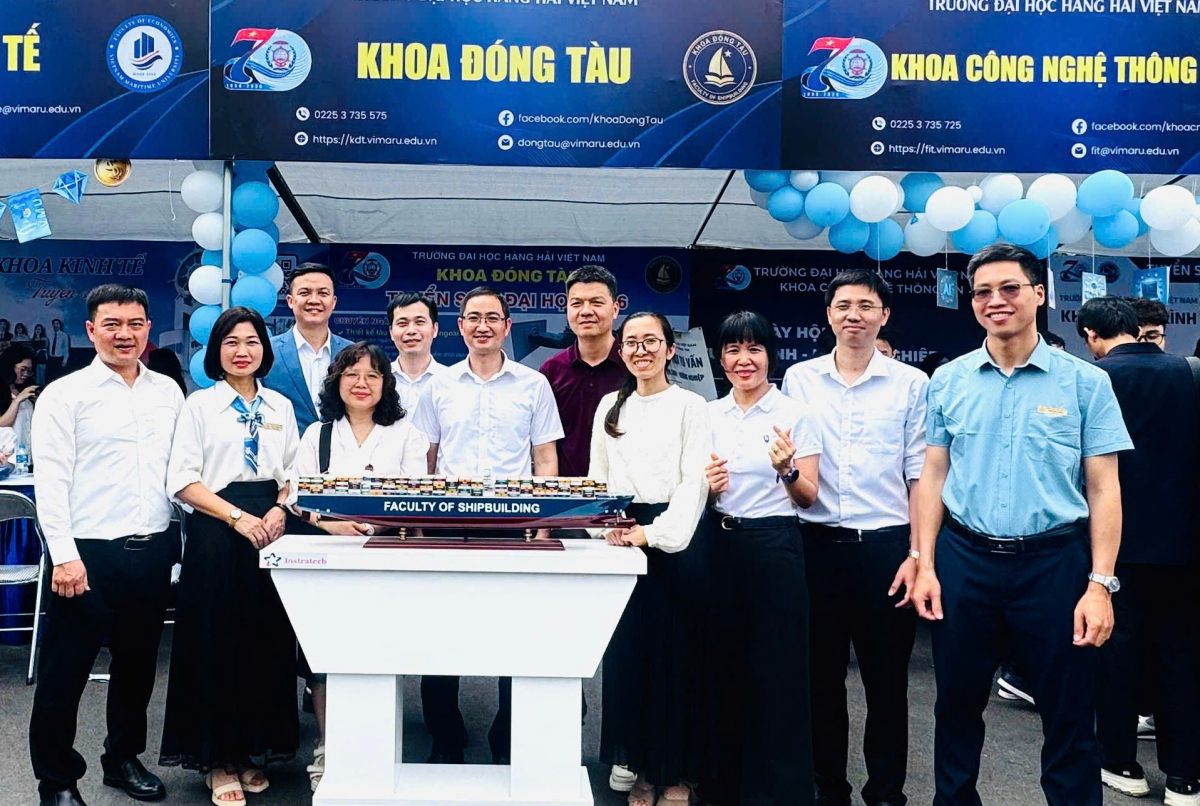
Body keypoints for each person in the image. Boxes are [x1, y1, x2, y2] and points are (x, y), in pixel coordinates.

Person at [912, 244, 1132, 806]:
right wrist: (925, 563)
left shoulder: (1086, 383)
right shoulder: (949, 380)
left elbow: (1104, 488)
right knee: (956, 706)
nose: (996, 301)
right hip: (965, 561)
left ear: (1039, 294)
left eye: (1009, 288)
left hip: (1054, 565)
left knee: (1068, 712)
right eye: (983, 292)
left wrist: (1100, 585)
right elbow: (934, 474)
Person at [29, 284, 184, 806]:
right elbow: (51, 482)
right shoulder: (65, 395)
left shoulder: (168, 392)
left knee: (137, 667)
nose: (125, 334)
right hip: (86, 556)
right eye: (112, 324)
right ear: (91, 330)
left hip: (152, 550)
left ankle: (122, 759)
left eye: (135, 324)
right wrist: (64, 557)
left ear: (148, 329)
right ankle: (56, 781)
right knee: (65, 673)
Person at [782, 270, 929, 806]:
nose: (854, 315)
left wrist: (918, 553)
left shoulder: (912, 384)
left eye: (866, 306)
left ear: (884, 316)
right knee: (819, 681)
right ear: (828, 315)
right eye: (843, 305)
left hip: (885, 550)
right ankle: (829, 789)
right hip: (815, 546)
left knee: (887, 684)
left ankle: (886, 793)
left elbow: (920, 475)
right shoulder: (799, 379)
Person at [411, 286, 564, 765]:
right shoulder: (439, 385)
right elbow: (426, 457)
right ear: (459, 327)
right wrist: (419, 521)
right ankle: (446, 737)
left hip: (512, 525)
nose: (483, 326)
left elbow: (545, 457)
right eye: (473, 317)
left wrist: (544, 520)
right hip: (446, 525)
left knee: (515, 633)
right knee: (439, 635)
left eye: (492, 317)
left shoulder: (533, 384)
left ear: (506, 326)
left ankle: (506, 739)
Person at [159, 307, 300, 804]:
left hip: (271, 529)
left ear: (265, 349)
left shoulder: (281, 405)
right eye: (231, 342)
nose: (243, 351)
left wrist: (280, 508)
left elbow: (294, 472)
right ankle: (217, 759)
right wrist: (237, 518)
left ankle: (250, 751)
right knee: (215, 641)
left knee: (264, 640)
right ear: (215, 351)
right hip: (218, 528)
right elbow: (183, 479)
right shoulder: (199, 406)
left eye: (252, 341)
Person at [1076, 296, 1200, 803]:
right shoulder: (1191, 373)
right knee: (1182, 657)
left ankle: (1120, 761)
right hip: (1185, 543)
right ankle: (1185, 776)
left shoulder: (1093, 379)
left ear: (1091, 336)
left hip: (1114, 545)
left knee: (1115, 653)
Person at [291, 341, 429, 791]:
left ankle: (376, 749)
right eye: (351, 374)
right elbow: (296, 496)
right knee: (326, 659)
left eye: (372, 375)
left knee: (379, 654)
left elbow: (418, 499)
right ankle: (329, 749)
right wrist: (328, 524)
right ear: (336, 382)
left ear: (386, 383)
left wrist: (380, 524)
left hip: (387, 560)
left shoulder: (406, 433)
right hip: (329, 562)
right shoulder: (318, 435)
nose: (361, 383)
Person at [590, 311, 711, 806]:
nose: (641, 351)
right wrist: (607, 525)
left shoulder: (691, 406)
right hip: (625, 535)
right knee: (630, 660)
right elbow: (598, 477)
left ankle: (675, 774)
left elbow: (694, 482)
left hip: (676, 541)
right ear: (621, 351)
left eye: (651, 341)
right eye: (632, 343)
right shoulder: (609, 406)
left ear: (669, 349)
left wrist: (654, 534)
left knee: (677, 660)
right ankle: (640, 769)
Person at [704, 311, 820, 806]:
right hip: (719, 545)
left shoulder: (795, 414)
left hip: (774, 544)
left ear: (770, 355)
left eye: (754, 349)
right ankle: (722, 786)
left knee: (779, 669)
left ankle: (783, 790)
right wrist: (708, 489)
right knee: (722, 667)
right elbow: (698, 491)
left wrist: (788, 470)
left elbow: (810, 497)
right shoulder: (709, 414)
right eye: (733, 350)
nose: (743, 360)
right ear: (721, 359)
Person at [539, 266, 629, 478]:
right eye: (577, 303)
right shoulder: (551, 370)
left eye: (596, 302)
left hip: (624, 491)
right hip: (566, 492)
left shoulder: (633, 366)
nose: (586, 311)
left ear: (615, 309)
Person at [264, 263, 354, 435]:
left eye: (323, 293)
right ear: (290, 301)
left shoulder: (353, 354)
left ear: (333, 302)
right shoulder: (267, 352)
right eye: (305, 293)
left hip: (342, 449)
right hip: (285, 449)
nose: (314, 300)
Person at [387, 292, 444, 417]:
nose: (411, 331)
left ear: (435, 329)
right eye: (402, 323)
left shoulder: (451, 381)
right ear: (391, 332)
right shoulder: (380, 380)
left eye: (419, 322)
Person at [0, 344, 37, 454]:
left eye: (29, 371)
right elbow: (2, 424)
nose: (25, 374)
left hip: (26, 453)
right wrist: (17, 400)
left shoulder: (24, 390)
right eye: (23, 369)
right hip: (7, 455)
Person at [48, 318, 71, 382]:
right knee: (50, 378)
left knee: (58, 378)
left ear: (60, 325)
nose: (55, 325)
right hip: (51, 359)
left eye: (57, 324)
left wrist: (65, 360)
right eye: (54, 324)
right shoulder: (50, 335)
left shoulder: (64, 335)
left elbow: (65, 348)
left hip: (59, 359)